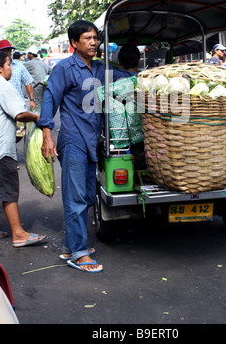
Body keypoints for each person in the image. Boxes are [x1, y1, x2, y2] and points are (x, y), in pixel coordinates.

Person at [37, 20, 133, 273]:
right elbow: (50, 99)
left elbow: (126, 77)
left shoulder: (100, 68)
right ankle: (79, 254)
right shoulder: (64, 69)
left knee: (88, 196)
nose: (93, 42)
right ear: (74, 43)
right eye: (87, 38)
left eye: (95, 38)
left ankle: (71, 245)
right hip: (74, 140)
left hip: (93, 141)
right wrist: (47, 132)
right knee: (77, 198)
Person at [0, 50, 46, 247]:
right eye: (9, 65)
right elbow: (20, 114)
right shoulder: (1, 84)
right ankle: (18, 234)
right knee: (8, 191)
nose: (11, 68)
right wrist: (37, 117)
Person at [0, 40, 35, 109]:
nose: (6, 53)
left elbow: (28, 82)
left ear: (11, 51)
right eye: (3, 51)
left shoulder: (19, 66)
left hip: (18, 104)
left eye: (8, 50)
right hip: (0, 105)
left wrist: (31, 100)